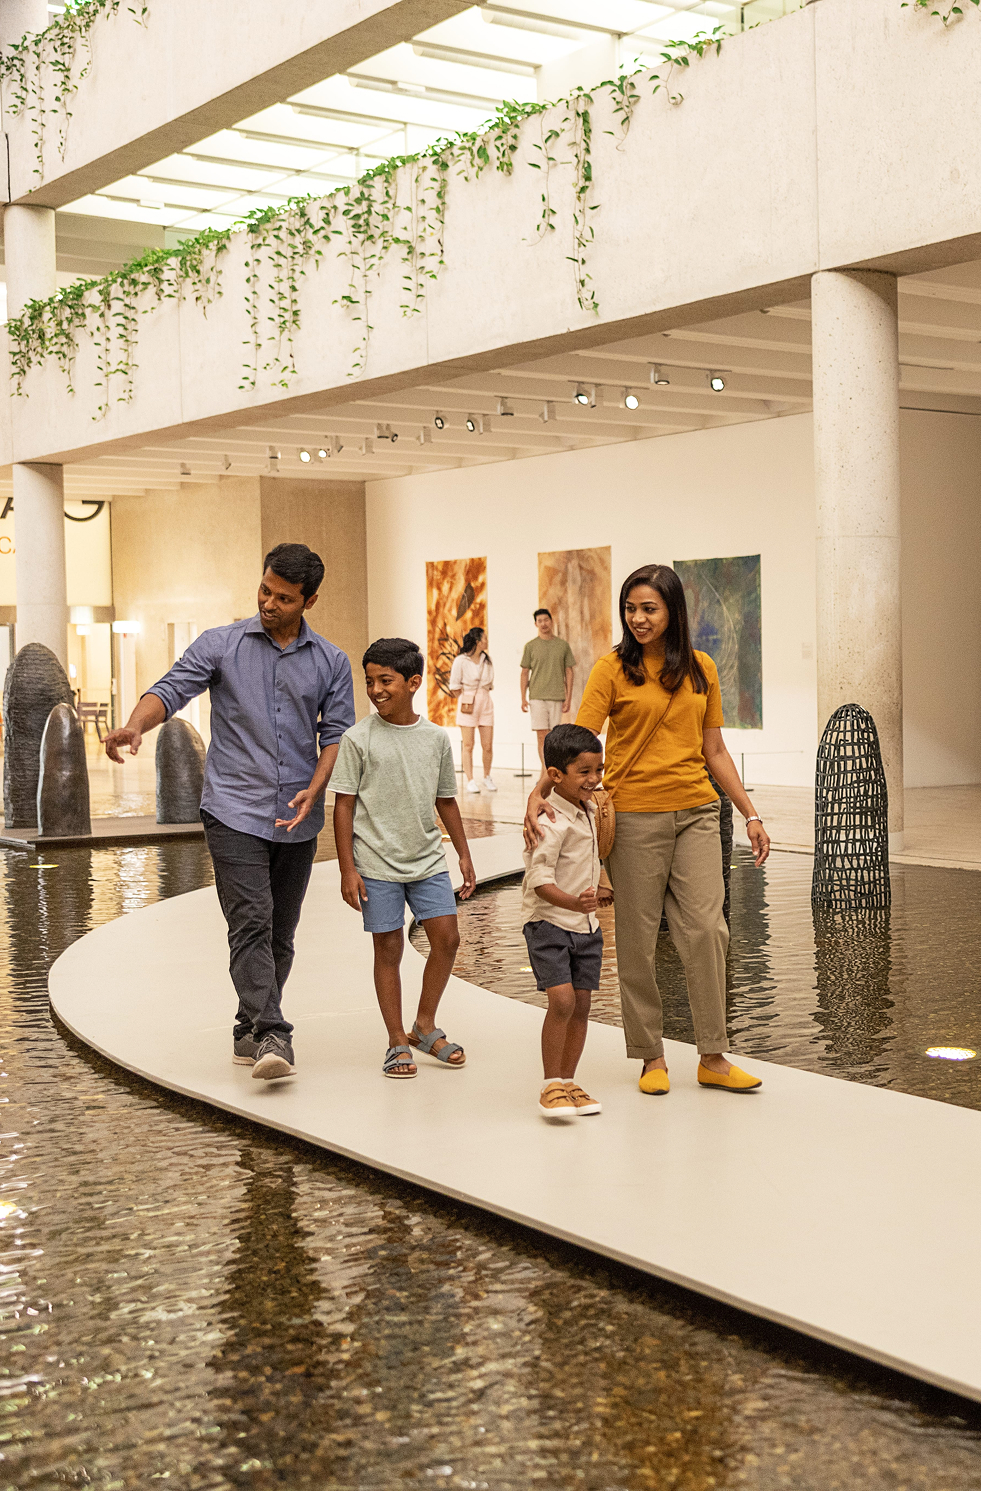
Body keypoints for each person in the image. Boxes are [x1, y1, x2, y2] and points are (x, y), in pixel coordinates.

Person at [103, 543, 355, 1082]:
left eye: (284, 598)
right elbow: (170, 690)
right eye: (265, 590)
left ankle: (247, 1028)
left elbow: (335, 735)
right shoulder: (221, 644)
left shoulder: (331, 661)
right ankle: (272, 1031)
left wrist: (316, 788)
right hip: (232, 809)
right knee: (250, 922)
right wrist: (134, 725)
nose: (269, 603)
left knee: (281, 933)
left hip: (296, 815)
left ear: (309, 600)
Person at [524, 563, 770, 1095]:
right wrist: (539, 790)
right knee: (637, 939)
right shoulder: (612, 670)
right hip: (633, 816)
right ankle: (650, 1055)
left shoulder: (701, 668)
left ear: (673, 611)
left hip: (698, 812)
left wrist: (750, 813)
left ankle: (713, 1055)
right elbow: (578, 736)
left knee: (708, 930)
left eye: (649, 608)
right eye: (631, 609)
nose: (638, 618)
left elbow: (715, 750)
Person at [332, 637, 477, 1080]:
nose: (375, 690)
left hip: (427, 860)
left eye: (386, 680)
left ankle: (424, 1025)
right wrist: (347, 869)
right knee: (389, 948)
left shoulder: (435, 739)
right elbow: (343, 805)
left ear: (414, 683)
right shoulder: (357, 739)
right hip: (376, 865)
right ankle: (397, 1039)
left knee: (447, 940)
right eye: (370, 681)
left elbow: (446, 801)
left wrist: (465, 854)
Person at [522, 724, 612, 1120]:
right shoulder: (549, 820)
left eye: (599, 770)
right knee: (561, 1001)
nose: (594, 780)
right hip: (550, 923)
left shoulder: (590, 809)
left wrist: (595, 894)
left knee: (583, 1003)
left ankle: (569, 1080)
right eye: (585, 772)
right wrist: (575, 903)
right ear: (555, 776)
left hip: (586, 927)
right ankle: (550, 1084)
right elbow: (538, 882)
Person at [520, 609, 576, 767]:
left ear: (551, 621)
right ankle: (545, 771)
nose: (543, 623)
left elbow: (569, 672)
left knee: (554, 736)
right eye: (540, 621)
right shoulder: (530, 646)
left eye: (546, 620)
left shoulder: (562, 645)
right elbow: (524, 672)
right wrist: (523, 697)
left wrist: (568, 698)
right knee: (541, 736)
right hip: (536, 696)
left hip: (556, 696)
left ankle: (553, 769)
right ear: (535, 624)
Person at [448, 625, 496, 794]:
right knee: (468, 744)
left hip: (485, 702)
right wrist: (465, 696)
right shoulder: (461, 660)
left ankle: (487, 776)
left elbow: (490, 684)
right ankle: (470, 780)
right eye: (484, 638)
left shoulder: (486, 660)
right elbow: (454, 686)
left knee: (487, 745)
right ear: (477, 641)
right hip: (467, 702)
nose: (487, 641)